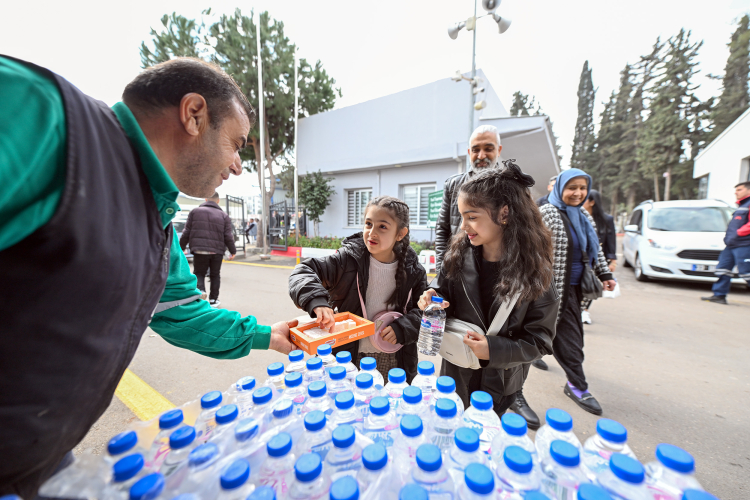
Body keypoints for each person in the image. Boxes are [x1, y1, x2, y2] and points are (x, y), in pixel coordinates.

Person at [0, 56, 294, 497]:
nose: (237, 166)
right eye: (236, 144)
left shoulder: (157, 221)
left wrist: (267, 335)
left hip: (37, 461)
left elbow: (183, 312)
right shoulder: (42, 114)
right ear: (193, 115)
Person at [417, 163, 559, 417]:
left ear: (504, 213)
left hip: (500, 382)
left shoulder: (536, 272)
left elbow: (540, 341)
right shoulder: (457, 255)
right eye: (462, 217)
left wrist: (493, 350)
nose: (463, 226)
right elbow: (442, 290)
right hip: (455, 371)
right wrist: (433, 297)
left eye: (472, 217)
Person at [289, 196, 428, 382]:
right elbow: (303, 271)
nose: (372, 233)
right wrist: (317, 301)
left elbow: (425, 312)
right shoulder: (347, 260)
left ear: (400, 234)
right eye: (368, 224)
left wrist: (404, 328)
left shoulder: (414, 271)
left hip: (393, 359)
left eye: (382, 226)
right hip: (346, 357)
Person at [538, 169, 617, 415]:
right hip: (549, 290)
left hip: (575, 289)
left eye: (583, 188)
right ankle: (578, 386)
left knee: (567, 336)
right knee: (567, 339)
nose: (578, 193)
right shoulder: (547, 213)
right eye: (572, 187)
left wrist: (605, 274)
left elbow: (594, 249)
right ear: (560, 188)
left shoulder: (583, 215)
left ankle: (542, 358)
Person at [435, 124, 503, 274]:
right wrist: (442, 270)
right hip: (460, 270)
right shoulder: (453, 185)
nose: (481, 156)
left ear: (499, 150)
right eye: (475, 150)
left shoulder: (510, 188)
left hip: (498, 272)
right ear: (468, 152)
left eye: (488, 149)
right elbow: (442, 229)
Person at [180, 191, 237, 307]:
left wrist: (182, 247)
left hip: (199, 249)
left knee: (199, 273)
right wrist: (233, 251)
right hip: (217, 251)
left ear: (205, 199)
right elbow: (228, 235)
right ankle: (214, 300)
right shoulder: (224, 215)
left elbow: (186, 232)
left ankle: (200, 293)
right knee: (215, 275)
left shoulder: (195, 212)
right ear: (218, 201)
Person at [701, 181, 750, 304]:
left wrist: (739, 233)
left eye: (739, 190)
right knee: (723, 269)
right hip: (732, 244)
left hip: (744, 244)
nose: (736, 192)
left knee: (747, 272)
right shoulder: (742, 205)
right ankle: (719, 295)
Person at [580, 189, 618, 324]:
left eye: (584, 199)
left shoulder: (606, 220)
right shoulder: (577, 216)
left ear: (592, 202)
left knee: (591, 283)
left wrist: (612, 261)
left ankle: (585, 310)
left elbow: (611, 240)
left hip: (597, 258)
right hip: (582, 257)